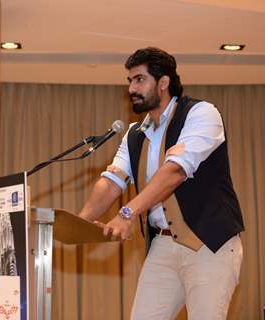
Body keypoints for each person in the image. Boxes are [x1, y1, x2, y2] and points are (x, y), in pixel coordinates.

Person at [79, 47, 245, 320]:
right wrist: (80, 226)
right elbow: (110, 182)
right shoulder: (134, 134)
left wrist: (127, 213)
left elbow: (175, 173)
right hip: (163, 244)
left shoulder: (201, 114)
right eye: (130, 81)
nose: (132, 87)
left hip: (210, 243)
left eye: (139, 79)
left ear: (164, 82)